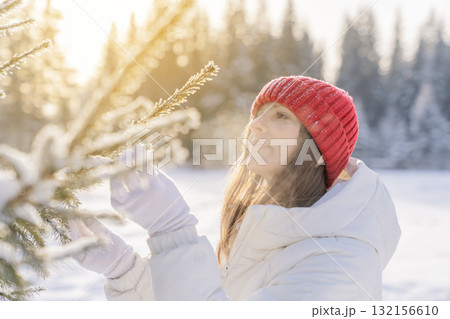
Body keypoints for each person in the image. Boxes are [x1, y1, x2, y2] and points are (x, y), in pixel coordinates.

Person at [69, 76, 401, 300]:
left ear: (316, 148)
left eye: (281, 116)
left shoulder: (341, 262)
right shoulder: (268, 227)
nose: (255, 124)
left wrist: (172, 231)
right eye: (258, 114)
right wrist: (124, 270)